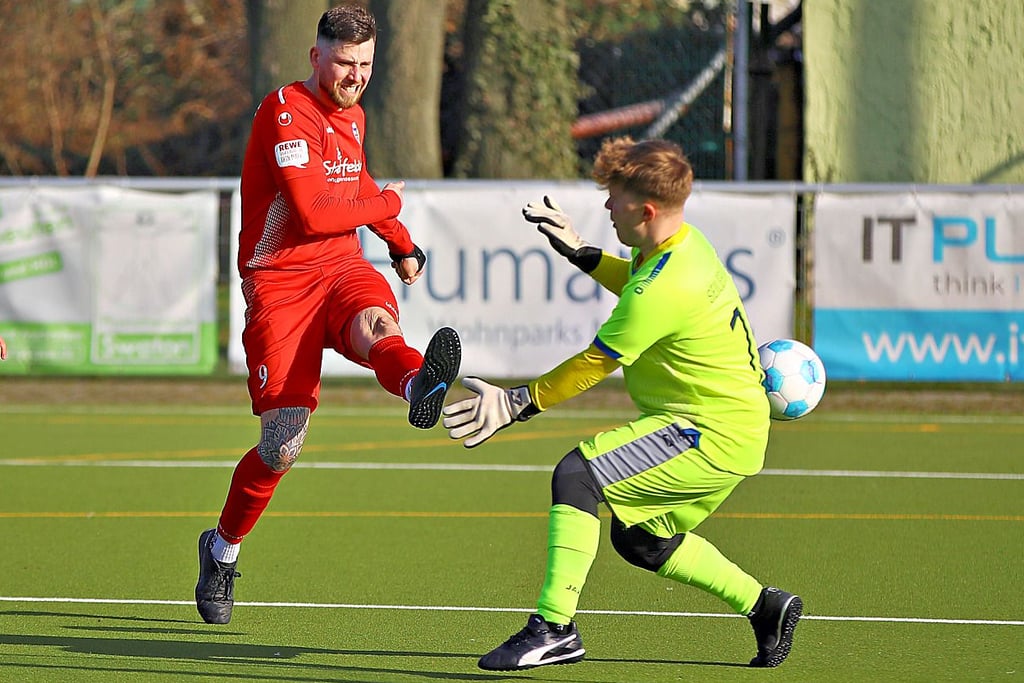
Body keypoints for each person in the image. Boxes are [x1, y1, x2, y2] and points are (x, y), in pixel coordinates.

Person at [442, 136, 801, 671]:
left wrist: (517, 403)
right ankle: (765, 606)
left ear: (647, 210)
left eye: (616, 198)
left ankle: (554, 628)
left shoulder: (666, 285)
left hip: (706, 432)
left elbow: (595, 361)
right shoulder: (683, 246)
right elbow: (636, 281)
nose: (608, 205)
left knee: (577, 475)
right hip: (733, 430)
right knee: (641, 541)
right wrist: (581, 251)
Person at [194, 3, 461, 626]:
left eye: (365, 64)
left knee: (378, 326)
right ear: (316, 57)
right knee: (282, 444)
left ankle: (418, 384)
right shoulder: (285, 112)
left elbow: (355, 184)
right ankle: (222, 549)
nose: (355, 76)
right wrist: (390, 205)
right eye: (344, 63)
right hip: (280, 284)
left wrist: (400, 243)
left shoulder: (355, 117)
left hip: (340, 266)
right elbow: (315, 211)